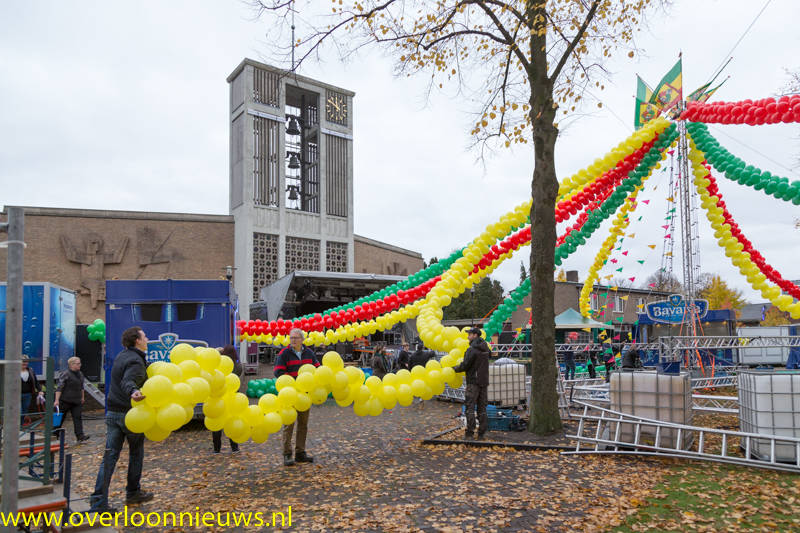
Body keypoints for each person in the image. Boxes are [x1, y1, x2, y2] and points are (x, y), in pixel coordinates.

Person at [89, 326, 153, 513]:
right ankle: (132, 492)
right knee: (136, 454)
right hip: (129, 415)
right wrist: (133, 391)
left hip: (113, 413)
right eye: (144, 336)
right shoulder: (135, 361)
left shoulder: (122, 356)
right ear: (137, 341)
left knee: (109, 458)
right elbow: (128, 381)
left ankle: (98, 503)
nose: (147, 339)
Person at [274, 328, 319, 466]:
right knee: (288, 425)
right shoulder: (284, 353)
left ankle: (300, 453)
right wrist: (292, 381)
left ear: (302, 339)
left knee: (303, 425)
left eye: (295, 338)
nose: (292, 340)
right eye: (291, 338)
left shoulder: (309, 353)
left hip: (305, 396)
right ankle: (287, 454)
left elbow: (317, 368)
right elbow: (278, 371)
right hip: (289, 395)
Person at [453, 328, 491, 440]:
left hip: (473, 382)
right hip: (483, 382)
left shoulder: (472, 350)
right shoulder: (486, 348)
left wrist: (454, 369)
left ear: (475, 335)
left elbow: (465, 365)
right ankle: (482, 433)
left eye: (469, 334)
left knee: (469, 407)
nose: (467, 337)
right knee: (482, 408)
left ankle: (469, 433)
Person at [212, 345, 241, 454]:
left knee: (216, 423)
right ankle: (235, 447)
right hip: (233, 398)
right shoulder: (238, 366)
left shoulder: (220, 364)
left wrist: (217, 353)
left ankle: (216, 449)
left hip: (218, 396)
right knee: (232, 422)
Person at [55, 356, 89, 442]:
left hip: (76, 401)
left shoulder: (80, 374)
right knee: (60, 418)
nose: (80, 365)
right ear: (71, 364)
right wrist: (56, 400)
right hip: (65, 400)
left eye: (80, 363)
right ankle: (54, 434)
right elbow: (59, 387)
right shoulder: (65, 374)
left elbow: (82, 387)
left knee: (77, 418)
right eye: (78, 364)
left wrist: (82, 397)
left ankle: (80, 436)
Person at [20, 355, 44, 424]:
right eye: (23, 361)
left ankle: (20, 427)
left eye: (26, 361)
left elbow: (36, 382)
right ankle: (16, 427)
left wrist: (40, 390)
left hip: (28, 395)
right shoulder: (14, 370)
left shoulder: (30, 370)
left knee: (24, 411)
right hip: (16, 395)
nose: (24, 363)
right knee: (19, 411)